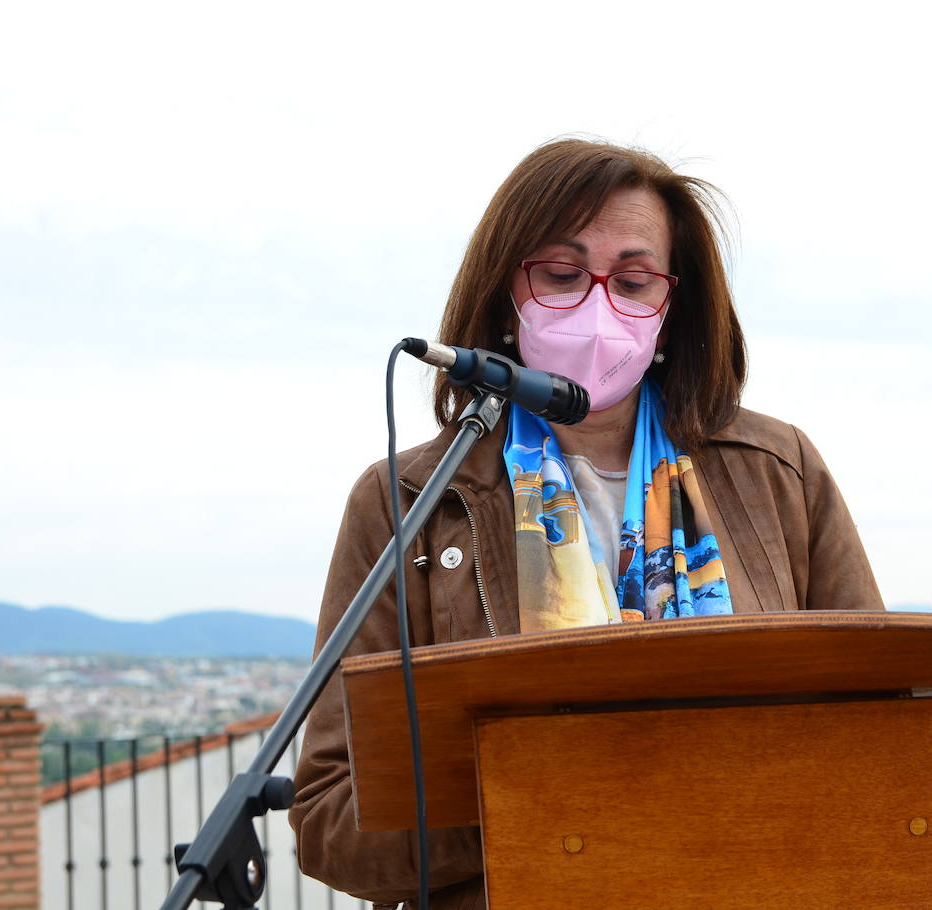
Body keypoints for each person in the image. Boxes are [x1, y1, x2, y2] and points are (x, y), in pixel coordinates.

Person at [289, 138, 884, 909]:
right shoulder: (407, 500)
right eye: (563, 275)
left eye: (633, 282)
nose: (599, 308)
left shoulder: (778, 470)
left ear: (671, 310)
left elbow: (887, 727)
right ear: (504, 294)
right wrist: (529, 787)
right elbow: (330, 820)